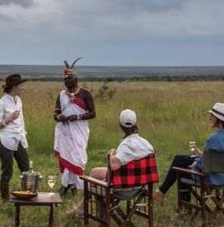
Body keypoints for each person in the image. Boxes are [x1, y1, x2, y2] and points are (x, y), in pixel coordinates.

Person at [155, 102, 224, 202]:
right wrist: (200, 154)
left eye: (212, 115)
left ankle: (178, 203)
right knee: (180, 159)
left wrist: (195, 164)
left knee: (180, 168)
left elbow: (203, 165)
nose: (210, 118)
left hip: (211, 179)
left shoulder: (214, 139)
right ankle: (160, 192)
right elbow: (218, 158)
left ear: (219, 119)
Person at [72, 109, 154, 212]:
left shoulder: (126, 145)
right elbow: (149, 153)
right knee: (94, 172)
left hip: (124, 189)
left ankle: (96, 211)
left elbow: (114, 165)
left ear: (121, 125)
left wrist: (111, 154)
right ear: (135, 124)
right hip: (139, 185)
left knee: (91, 182)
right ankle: (85, 209)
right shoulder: (146, 143)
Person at [53, 58, 96, 195]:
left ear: (76, 80)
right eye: (65, 79)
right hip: (64, 131)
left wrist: (77, 117)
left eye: (70, 79)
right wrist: (60, 117)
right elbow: (56, 113)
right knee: (65, 157)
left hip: (79, 131)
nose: (67, 81)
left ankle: (76, 184)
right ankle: (66, 184)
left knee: (77, 156)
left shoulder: (85, 94)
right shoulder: (61, 95)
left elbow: (93, 113)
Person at [0, 73, 30, 200]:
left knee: (26, 168)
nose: (23, 88)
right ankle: (5, 199)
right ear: (14, 87)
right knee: (7, 171)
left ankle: (28, 194)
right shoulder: (0, 103)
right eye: (21, 85)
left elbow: (22, 122)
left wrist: (24, 140)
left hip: (19, 139)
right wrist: (8, 119)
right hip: (5, 141)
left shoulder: (18, 100)